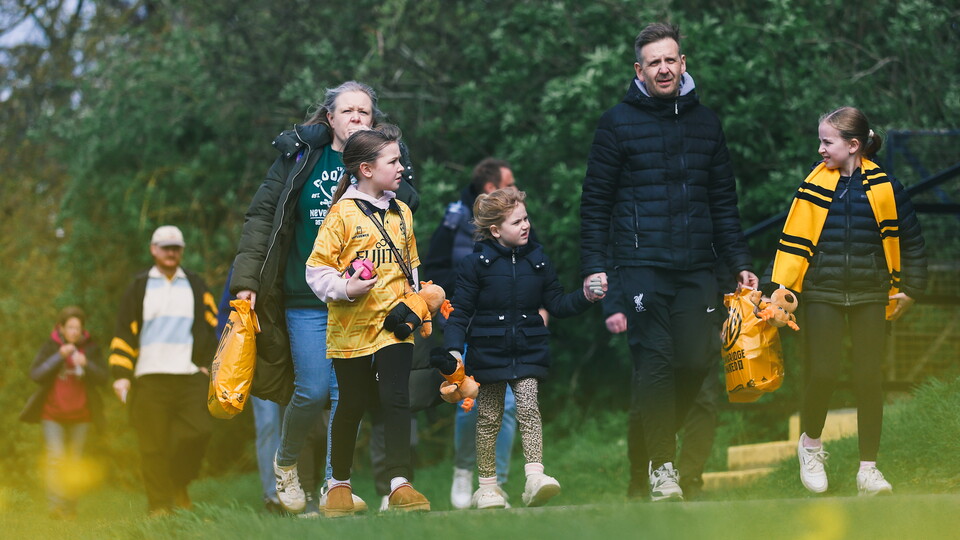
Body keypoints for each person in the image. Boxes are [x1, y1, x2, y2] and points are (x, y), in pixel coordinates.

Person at [578, 22, 757, 501]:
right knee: (655, 364)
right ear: (639, 70)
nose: (663, 68)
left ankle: (644, 455)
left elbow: (724, 203)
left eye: (670, 59)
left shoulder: (708, 124)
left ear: (683, 64)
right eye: (653, 61)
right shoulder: (617, 123)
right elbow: (595, 202)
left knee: (696, 362)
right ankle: (662, 468)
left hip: (698, 266)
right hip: (642, 266)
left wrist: (738, 261)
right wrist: (595, 265)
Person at [230, 81, 419, 515]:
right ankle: (287, 462)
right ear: (329, 117)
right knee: (313, 391)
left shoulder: (383, 160)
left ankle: (336, 487)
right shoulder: (300, 158)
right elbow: (262, 218)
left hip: (359, 302)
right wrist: (249, 281)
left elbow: (406, 214)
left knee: (343, 397)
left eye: (365, 112)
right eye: (348, 110)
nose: (357, 117)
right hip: (304, 296)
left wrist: (395, 171)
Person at [769, 106, 926, 496]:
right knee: (823, 372)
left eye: (827, 141)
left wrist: (913, 287)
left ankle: (868, 471)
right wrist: (775, 289)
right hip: (822, 292)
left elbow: (913, 240)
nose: (820, 149)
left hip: (871, 294)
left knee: (868, 379)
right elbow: (791, 242)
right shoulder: (811, 186)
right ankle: (810, 446)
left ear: (853, 145)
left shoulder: (887, 187)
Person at [442, 188, 595, 509]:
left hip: (528, 349)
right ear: (496, 230)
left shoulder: (538, 261)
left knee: (528, 407)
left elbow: (557, 302)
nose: (526, 225)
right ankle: (486, 488)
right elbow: (460, 313)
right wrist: (454, 351)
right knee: (489, 418)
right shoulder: (475, 265)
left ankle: (535, 476)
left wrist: (586, 296)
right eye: (517, 222)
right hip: (488, 352)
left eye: (526, 218)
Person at [304, 124, 430, 516]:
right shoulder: (341, 214)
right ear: (365, 169)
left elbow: (412, 270)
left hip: (395, 326)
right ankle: (338, 486)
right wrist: (345, 288)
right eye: (393, 161)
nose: (401, 168)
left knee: (396, 399)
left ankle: (399, 484)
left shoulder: (402, 212)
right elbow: (316, 270)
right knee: (352, 402)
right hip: (350, 329)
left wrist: (421, 306)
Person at [423, 157, 519, 509]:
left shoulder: (516, 217)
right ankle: (464, 470)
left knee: (506, 405)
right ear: (491, 188)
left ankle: (496, 486)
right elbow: (433, 267)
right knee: (470, 401)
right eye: (509, 183)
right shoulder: (454, 218)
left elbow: (534, 262)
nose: (514, 188)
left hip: (507, 324)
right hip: (464, 324)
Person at [108, 225, 217, 515]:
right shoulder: (139, 286)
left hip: (189, 374)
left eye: (176, 247)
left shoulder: (196, 284)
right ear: (153, 250)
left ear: (181, 251)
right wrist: (121, 376)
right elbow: (123, 332)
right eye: (165, 247)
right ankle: (159, 506)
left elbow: (212, 327)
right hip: (148, 376)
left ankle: (178, 484)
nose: (171, 252)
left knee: (199, 431)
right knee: (152, 445)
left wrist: (208, 366)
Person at [603, 268, 724, 500]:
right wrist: (615, 305)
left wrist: (723, 315)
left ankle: (690, 480)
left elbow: (724, 251)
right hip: (652, 310)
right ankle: (640, 478)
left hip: (701, 311)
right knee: (645, 404)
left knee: (704, 399)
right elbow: (618, 255)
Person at [20, 306, 107, 519]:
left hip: (82, 416)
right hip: (52, 415)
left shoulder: (91, 349)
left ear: (82, 330)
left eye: (78, 328)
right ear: (61, 328)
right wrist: (59, 357)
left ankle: (70, 508)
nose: (75, 332)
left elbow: (104, 378)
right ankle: (56, 507)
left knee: (74, 462)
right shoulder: (51, 347)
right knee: (56, 458)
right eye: (70, 327)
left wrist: (87, 364)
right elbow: (36, 374)